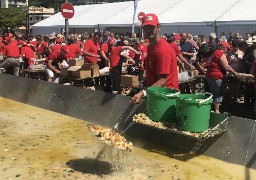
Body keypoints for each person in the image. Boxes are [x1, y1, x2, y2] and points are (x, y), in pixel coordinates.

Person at [132, 13, 178, 104]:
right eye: (145, 28)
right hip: (156, 93)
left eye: (151, 27)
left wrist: (143, 93)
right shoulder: (150, 46)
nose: (148, 31)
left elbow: (163, 80)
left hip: (166, 97)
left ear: (158, 27)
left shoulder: (163, 50)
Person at [205, 42, 238, 113]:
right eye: (228, 49)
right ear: (224, 48)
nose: (228, 51)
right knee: (218, 93)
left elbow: (209, 62)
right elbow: (227, 67)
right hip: (216, 76)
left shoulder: (215, 52)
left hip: (209, 75)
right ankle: (217, 111)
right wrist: (234, 73)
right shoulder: (221, 54)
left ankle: (211, 109)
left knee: (213, 92)